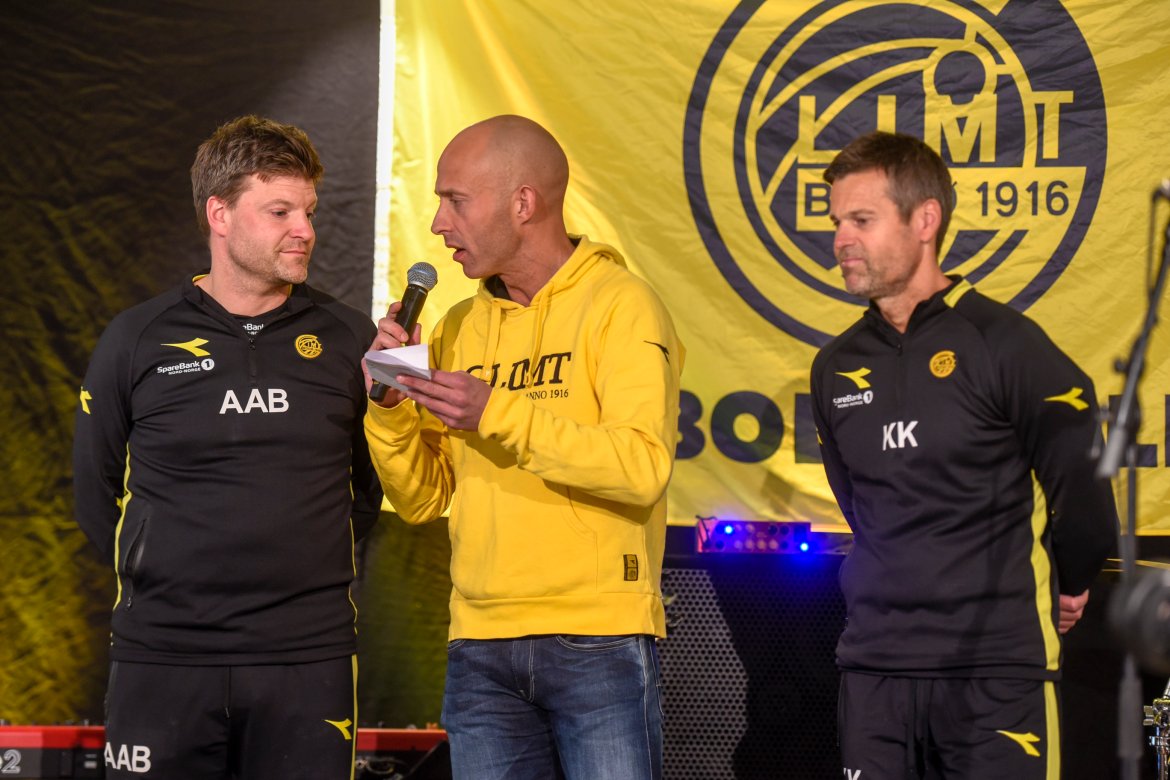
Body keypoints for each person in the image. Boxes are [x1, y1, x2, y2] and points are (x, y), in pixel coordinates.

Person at [363, 114, 684, 780]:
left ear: (523, 203)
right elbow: (421, 500)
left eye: (456, 200)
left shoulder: (622, 305)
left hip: (597, 637)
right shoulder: (456, 326)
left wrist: (496, 411)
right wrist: (390, 408)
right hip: (480, 644)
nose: (438, 225)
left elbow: (641, 467)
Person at [73, 115, 382, 779]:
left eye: (309, 211)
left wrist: (296, 569)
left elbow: (371, 487)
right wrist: (168, 583)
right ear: (220, 214)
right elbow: (94, 493)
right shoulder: (137, 338)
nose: (305, 230)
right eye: (280, 212)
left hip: (308, 658)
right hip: (164, 656)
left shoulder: (348, 337)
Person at [809, 130, 1117, 779]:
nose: (841, 240)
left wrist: (1069, 583)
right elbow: (860, 504)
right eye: (837, 222)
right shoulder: (834, 367)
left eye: (862, 220)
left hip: (995, 671)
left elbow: (1084, 493)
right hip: (874, 672)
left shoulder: (1006, 344)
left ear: (925, 221)